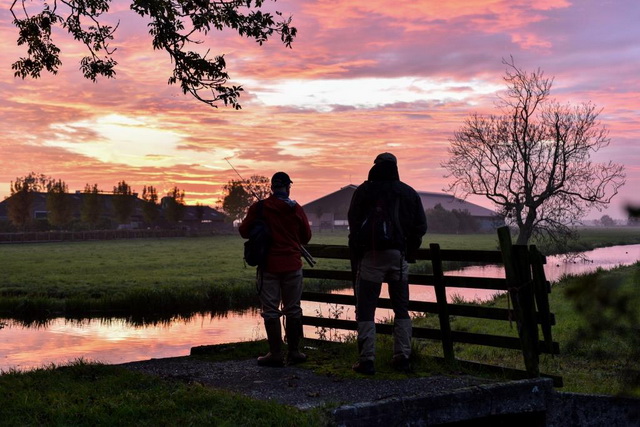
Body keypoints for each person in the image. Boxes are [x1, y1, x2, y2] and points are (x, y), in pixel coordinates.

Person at [348, 153, 427, 374]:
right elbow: (420, 226)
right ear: (395, 167)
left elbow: (353, 224)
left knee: (366, 309)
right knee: (401, 309)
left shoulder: (363, 191)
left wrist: (358, 254)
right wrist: (408, 250)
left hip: (370, 257)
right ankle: (402, 357)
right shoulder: (408, 192)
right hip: (398, 257)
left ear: (375, 166)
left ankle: (367, 361)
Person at [239, 171, 313, 367]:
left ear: (272, 187)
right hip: (292, 265)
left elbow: (243, 231)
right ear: (288, 187)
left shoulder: (259, 208)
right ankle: (295, 352)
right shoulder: (296, 208)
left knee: (271, 310)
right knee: (293, 309)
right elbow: (306, 237)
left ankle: (275, 353)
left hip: (269, 266)